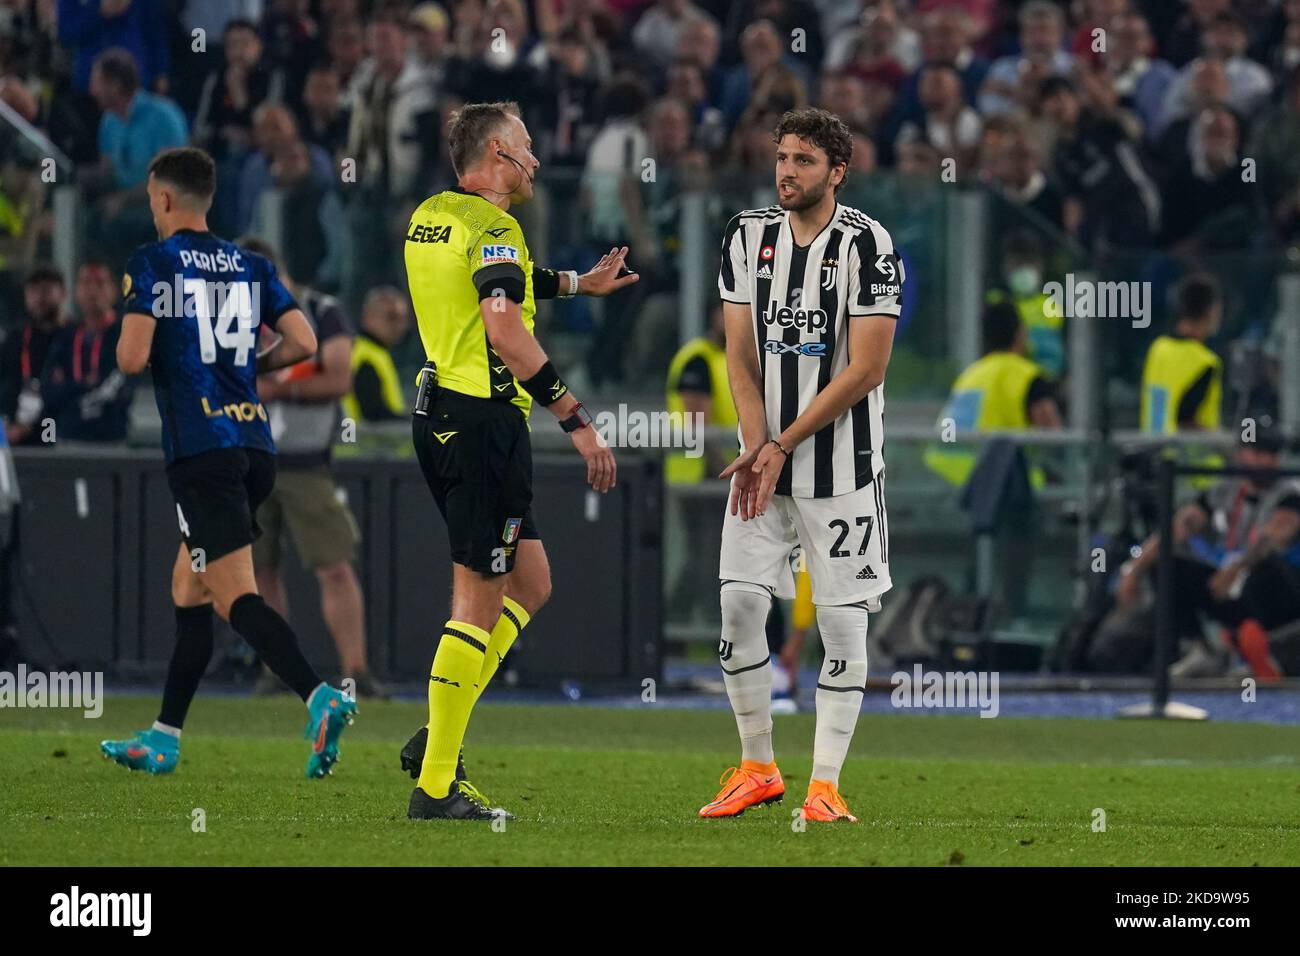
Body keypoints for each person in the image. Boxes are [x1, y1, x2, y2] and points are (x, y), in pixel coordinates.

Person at [397, 101, 637, 821]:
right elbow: (503, 325)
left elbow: (501, 280)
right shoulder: (495, 224)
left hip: (438, 414)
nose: (536, 160)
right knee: (479, 598)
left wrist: (575, 283)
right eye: (528, 147)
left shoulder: (432, 216)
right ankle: (436, 787)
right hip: (484, 424)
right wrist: (576, 418)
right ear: (499, 152)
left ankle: (437, 734)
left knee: (531, 581)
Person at [100, 146, 356, 778]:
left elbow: (132, 360)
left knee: (234, 598)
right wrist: (244, 366)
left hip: (201, 450)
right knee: (188, 588)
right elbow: (303, 342)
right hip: (255, 448)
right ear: (208, 199)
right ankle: (163, 738)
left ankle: (320, 695)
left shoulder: (152, 264)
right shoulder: (250, 264)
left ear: (161, 198)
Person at [702, 107, 898, 824]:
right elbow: (741, 358)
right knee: (738, 607)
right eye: (782, 157)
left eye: (805, 161)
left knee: (843, 628)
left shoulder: (869, 246)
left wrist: (784, 445)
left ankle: (824, 784)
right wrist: (758, 447)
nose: (787, 171)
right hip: (769, 462)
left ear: (837, 172)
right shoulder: (746, 235)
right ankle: (757, 767)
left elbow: (867, 370)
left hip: (841, 472)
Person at [237, 237, 386, 701]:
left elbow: (339, 378)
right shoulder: (236, 313)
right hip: (251, 458)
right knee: (260, 573)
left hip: (305, 463)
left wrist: (279, 390)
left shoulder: (321, 310)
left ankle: (355, 672)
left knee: (334, 566)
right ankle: (276, 670)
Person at [1116, 422, 1300, 680]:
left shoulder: (1290, 492)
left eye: (1271, 453)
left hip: (1279, 589)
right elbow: (1179, 528)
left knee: (1265, 568)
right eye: (1257, 451)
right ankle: (1203, 650)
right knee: (1168, 565)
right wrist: (1134, 568)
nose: (1265, 460)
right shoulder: (1226, 489)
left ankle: (1258, 654)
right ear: (1241, 453)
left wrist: (1235, 568)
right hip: (1229, 582)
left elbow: (1273, 537)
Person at [924, 302, 1063, 489]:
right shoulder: (1025, 375)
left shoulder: (972, 374)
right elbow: (1054, 437)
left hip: (943, 475)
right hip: (994, 482)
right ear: (1020, 333)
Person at [26, 260, 135, 443]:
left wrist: (69, 392)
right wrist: (87, 385)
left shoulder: (126, 334)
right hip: (66, 439)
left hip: (110, 441)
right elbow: (48, 391)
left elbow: (120, 392)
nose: (92, 292)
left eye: (99, 284)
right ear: (75, 292)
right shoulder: (66, 335)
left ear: (115, 290)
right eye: (85, 284)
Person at [1140, 274, 1222, 435]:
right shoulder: (1205, 362)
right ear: (1211, 311)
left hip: (1153, 452)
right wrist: (1221, 441)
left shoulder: (1158, 348)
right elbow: (1185, 422)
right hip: (1191, 458)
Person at [1, 265, 67, 445]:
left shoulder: (73, 337)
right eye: (33, 291)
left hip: (59, 433)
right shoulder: (15, 340)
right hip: (14, 435)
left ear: (62, 294)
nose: (39, 298)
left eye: (46, 290)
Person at [342, 286, 409, 423]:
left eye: (404, 318)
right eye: (392, 317)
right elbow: (375, 415)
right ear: (369, 317)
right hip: (364, 443)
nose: (400, 325)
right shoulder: (365, 357)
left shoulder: (375, 352)